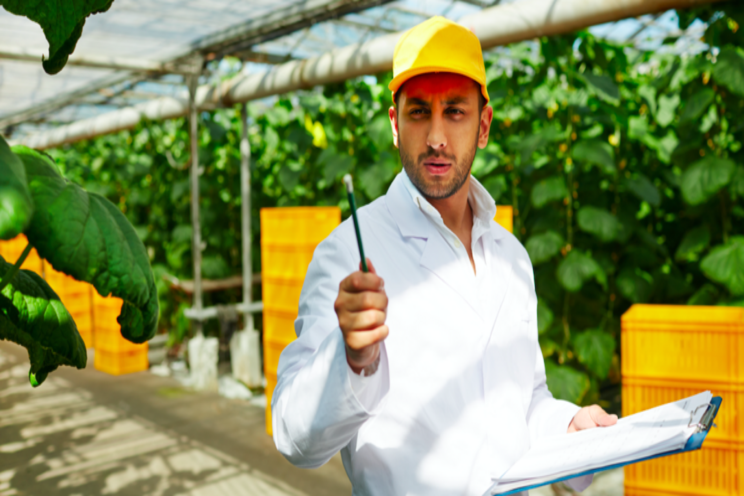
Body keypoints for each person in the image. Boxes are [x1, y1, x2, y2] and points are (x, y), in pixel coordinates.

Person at [272, 16, 618, 496]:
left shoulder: (511, 257)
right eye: (418, 112)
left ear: (484, 125)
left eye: (455, 111)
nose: (436, 137)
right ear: (395, 124)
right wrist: (351, 359)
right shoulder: (350, 250)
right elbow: (294, 436)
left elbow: (525, 400)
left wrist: (567, 424)